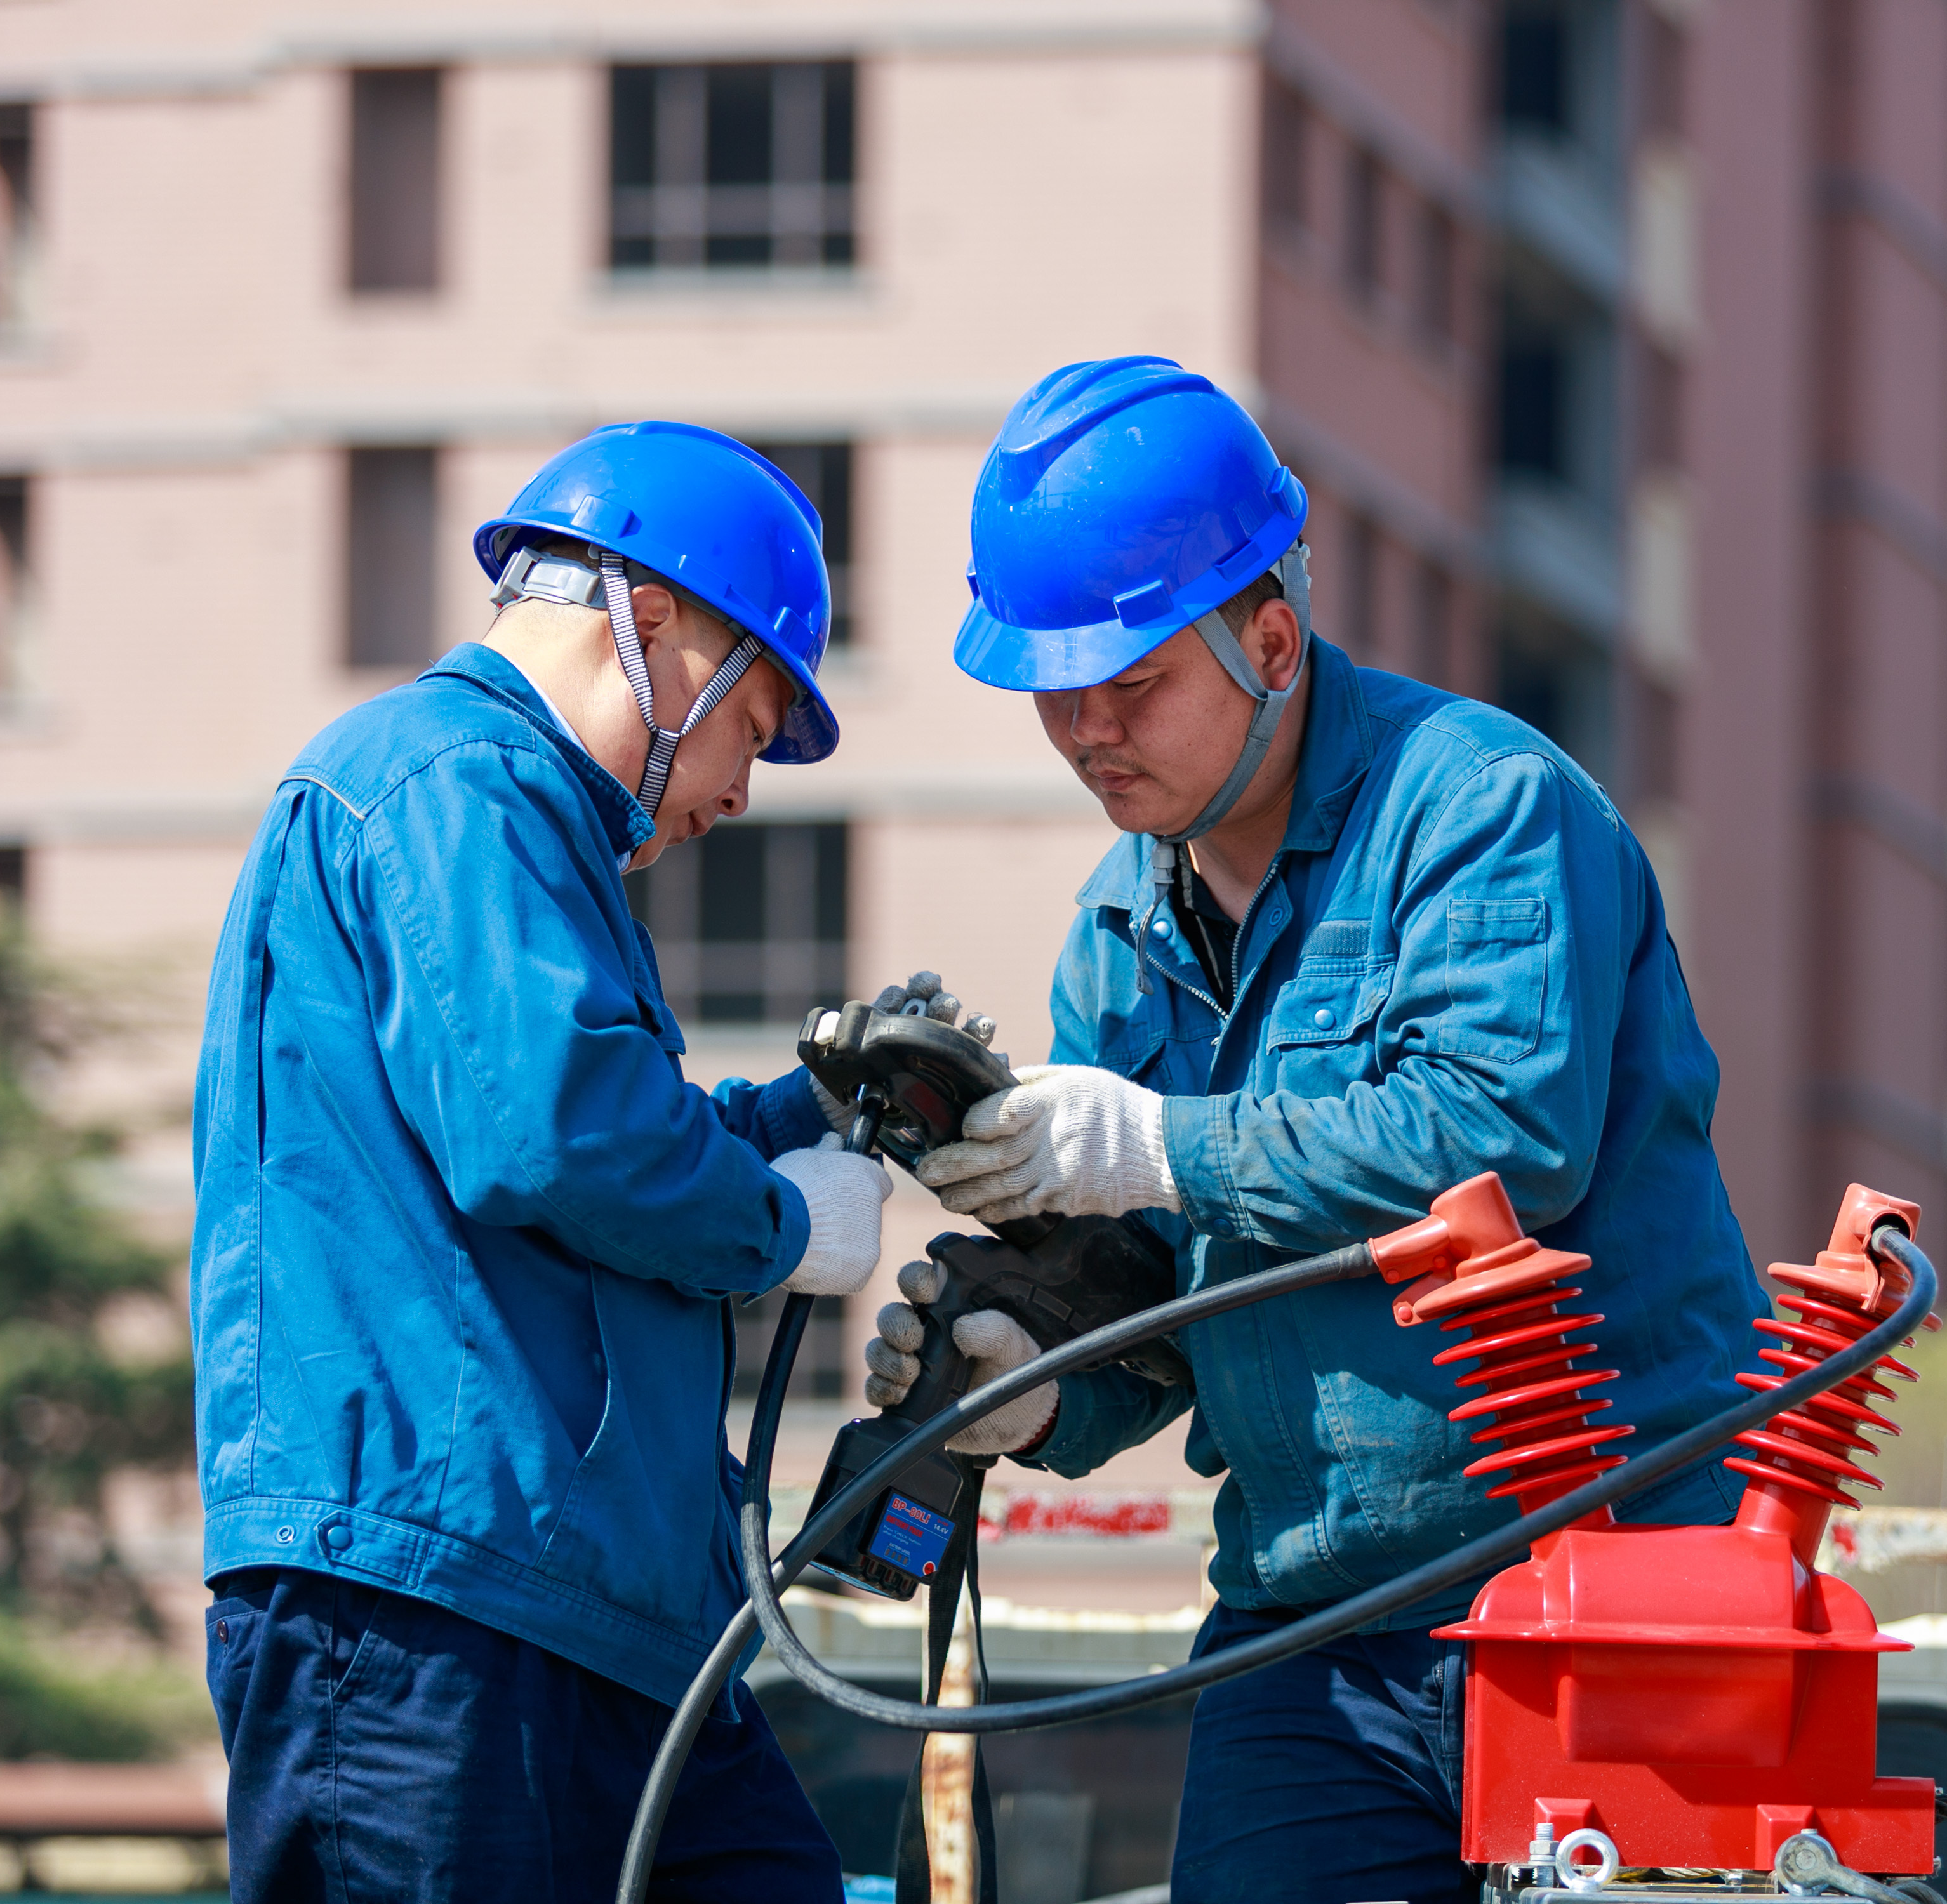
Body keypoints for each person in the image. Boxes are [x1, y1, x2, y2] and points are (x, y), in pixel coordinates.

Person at [865, 357, 1774, 1903]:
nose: (1087, 729)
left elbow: (1499, 1138)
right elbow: (1159, 1283)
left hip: (1616, 1588)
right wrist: (1039, 1388)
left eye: (1132, 680)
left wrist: (1159, 1147)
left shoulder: (1482, 805)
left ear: (1271, 640)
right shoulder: (1119, 926)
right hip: (1315, 1620)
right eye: (1052, 690)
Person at [190, 422, 893, 1903]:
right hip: (424, 1611)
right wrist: (778, 1227)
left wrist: (809, 1114)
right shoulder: (448, 780)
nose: (742, 792)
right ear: (650, 619)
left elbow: (592, 1124)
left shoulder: (512, 822)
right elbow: (552, 1132)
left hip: (575, 1610)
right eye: (753, 728)